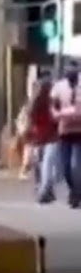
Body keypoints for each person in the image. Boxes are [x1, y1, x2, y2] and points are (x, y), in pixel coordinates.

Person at [50, 61, 81, 207]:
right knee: (66, 166)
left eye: (74, 70)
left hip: (79, 131)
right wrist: (55, 114)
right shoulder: (59, 86)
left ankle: (76, 194)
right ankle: (74, 189)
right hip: (65, 130)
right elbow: (53, 105)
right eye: (69, 70)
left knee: (76, 165)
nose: (71, 73)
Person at [26, 74, 59, 203]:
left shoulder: (34, 103)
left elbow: (30, 120)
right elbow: (56, 118)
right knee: (47, 165)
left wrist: (29, 133)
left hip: (38, 137)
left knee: (39, 164)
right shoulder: (52, 102)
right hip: (51, 137)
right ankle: (45, 190)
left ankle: (43, 188)